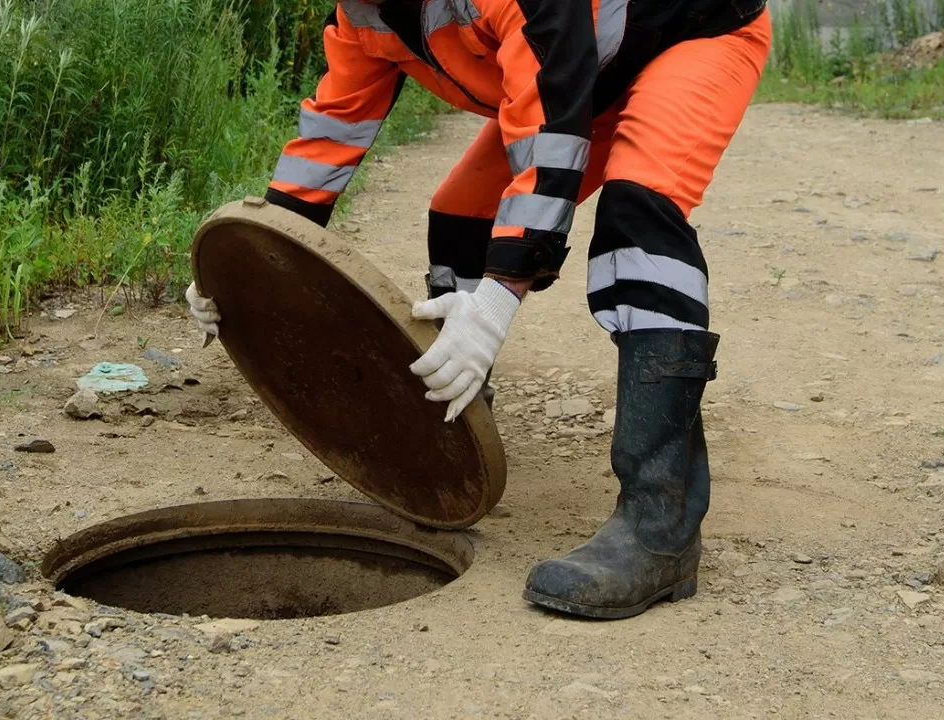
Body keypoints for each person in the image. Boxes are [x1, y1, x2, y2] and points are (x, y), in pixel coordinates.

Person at [186, 0, 771, 620]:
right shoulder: (361, 12)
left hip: (696, 32)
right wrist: (252, 260)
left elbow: (550, 133)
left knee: (637, 220)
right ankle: (451, 440)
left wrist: (495, 303)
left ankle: (660, 526)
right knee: (464, 211)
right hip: (582, 72)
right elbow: (333, 130)